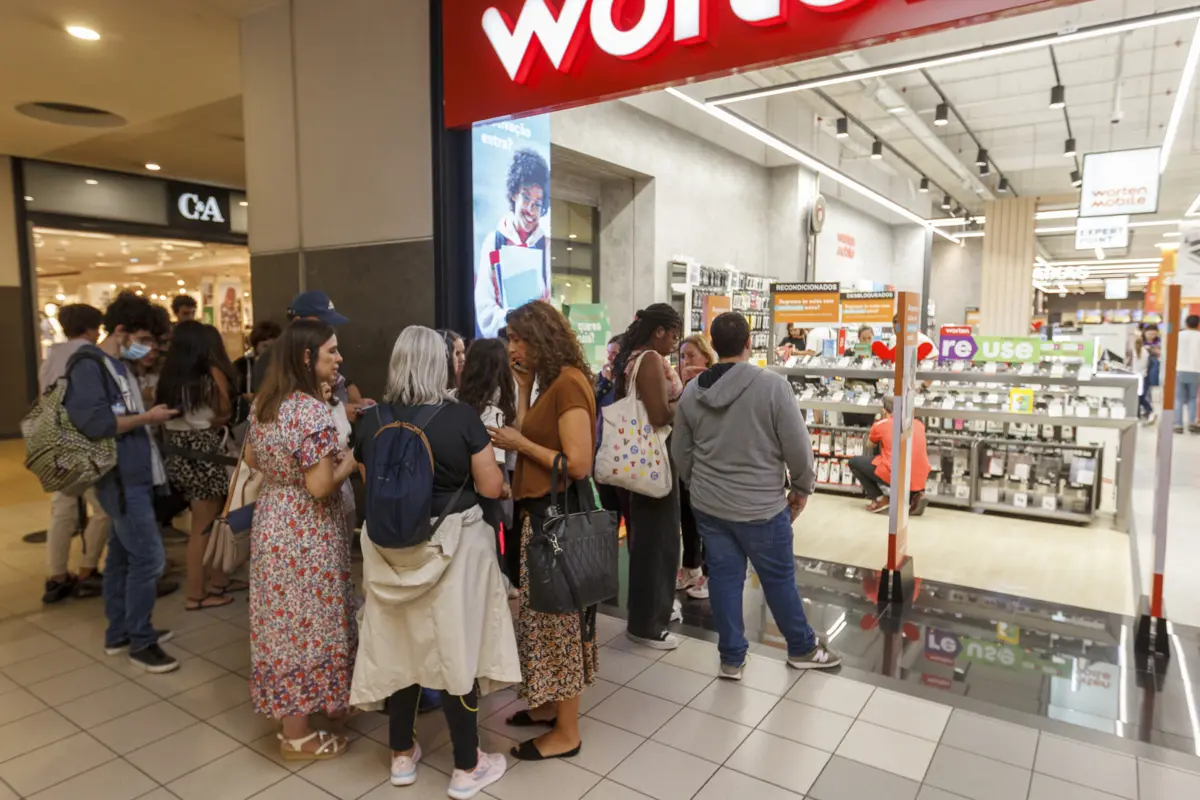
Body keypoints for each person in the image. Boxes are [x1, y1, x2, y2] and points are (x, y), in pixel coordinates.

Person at [349, 326, 518, 798]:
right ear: (438, 364)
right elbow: (488, 487)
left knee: (401, 649)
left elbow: (374, 486)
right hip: (455, 548)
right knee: (454, 647)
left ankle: (401, 755)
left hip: (388, 553)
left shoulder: (370, 420)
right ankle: (467, 765)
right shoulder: (459, 418)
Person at [672, 312, 841, 679]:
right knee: (778, 579)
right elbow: (798, 448)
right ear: (750, 343)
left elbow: (681, 451)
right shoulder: (772, 386)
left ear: (713, 347)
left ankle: (731, 658)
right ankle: (801, 647)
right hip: (762, 506)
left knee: (724, 579)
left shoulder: (692, 391)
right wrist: (801, 488)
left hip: (710, 506)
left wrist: (697, 484)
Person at [486, 301, 597, 761]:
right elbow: (534, 432)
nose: (512, 347)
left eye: (518, 337)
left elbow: (578, 463)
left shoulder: (570, 384)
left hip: (557, 516)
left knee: (558, 623)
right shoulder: (551, 382)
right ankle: (550, 706)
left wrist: (519, 443)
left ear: (540, 337)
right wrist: (526, 387)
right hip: (540, 514)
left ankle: (566, 732)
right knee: (542, 619)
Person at [245, 320, 359, 760]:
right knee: (308, 626)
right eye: (332, 351)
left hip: (273, 520)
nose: (339, 357)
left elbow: (253, 457)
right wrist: (349, 463)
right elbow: (319, 486)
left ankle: (313, 705)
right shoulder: (309, 411)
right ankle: (297, 735)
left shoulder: (266, 403)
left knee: (283, 627)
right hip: (306, 531)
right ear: (308, 357)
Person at [63, 292, 180, 672]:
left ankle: (120, 633)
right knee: (149, 558)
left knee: (121, 557)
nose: (146, 349)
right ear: (121, 330)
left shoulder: (116, 365)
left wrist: (143, 411)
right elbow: (96, 423)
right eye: (143, 340)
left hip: (132, 475)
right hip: (119, 479)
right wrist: (147, 418)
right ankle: (140, 641)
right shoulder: (89, 365)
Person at [610, 304, 684, 649]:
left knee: (650, 539)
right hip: (656, 455)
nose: (675, 342)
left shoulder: (631, 358)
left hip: (640, 457)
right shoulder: (650, 359)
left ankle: (651, 612)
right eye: (673, 334)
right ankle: (647, 624)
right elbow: (658, 414)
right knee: (659, 542)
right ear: (659, 331)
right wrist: (686, 402)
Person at [157, 321, 240, 611]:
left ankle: (218, 581)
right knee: (204, 525)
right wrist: (219, 375)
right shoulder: (207, 377)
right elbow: (224, 411)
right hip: (206, 453)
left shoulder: (171, 378)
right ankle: (197, 594)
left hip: (181, 452)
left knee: (210, 521)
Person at [39, 304, 109, 603]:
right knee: (104, 509)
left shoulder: (51, 356)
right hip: (84, 441)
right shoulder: (92, 356)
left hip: (55, 438)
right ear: (92, 329)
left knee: (63, 507)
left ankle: (56, 576)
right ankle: (88, 568)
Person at [250, 291, 375, 419]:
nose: (327, 329)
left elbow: (346, 383)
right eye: (321, 323)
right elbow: (280, 414)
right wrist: (337, 413)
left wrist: (358, 403)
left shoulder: (325, 353)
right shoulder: (269, 364)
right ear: (297, 322)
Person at [458, 338, 519, 582]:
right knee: (493, 549)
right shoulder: (496, 410)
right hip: (492, 487)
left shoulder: (455, 401)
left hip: (460, 494)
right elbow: (497, 468)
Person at [474, 149, 552, 338]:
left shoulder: (547, 245)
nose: (530, 210)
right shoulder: (494, 243)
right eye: (526, 197)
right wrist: (514, 319)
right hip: (503, 346)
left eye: (538, 204)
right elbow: (485, 308)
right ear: (514, 194)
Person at [675, 334, 717, 600]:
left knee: (709, 521)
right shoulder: (678, 383)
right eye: (682, 356)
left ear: (705, 356)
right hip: (685, 459)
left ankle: (711, 573)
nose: (685, 361)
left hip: (708, 461)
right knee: (687, 516)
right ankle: (690, 565)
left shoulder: (715, 381)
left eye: (691, 355)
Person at [847, 395, 931, 516]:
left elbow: (869, 444)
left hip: (895, 473)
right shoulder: (918, 424)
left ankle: (880, 499)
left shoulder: (881, 424)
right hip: (921, 474)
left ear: (883, 410)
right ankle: (917, 495)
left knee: (854, 462)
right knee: (908, 468)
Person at [233, 320, 281, 424]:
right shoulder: (241, 365)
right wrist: (244, 397)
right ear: (255, 346)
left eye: (274, 346)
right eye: (265, 346)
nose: (270, 351)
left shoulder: (283, 367)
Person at [1176, 314, 1200, 433]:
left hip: (1180, 369)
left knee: (1178, 398)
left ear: (1186, 323)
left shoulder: (1179, 336)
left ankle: (1178, 424)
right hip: (1196, 370)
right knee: (1193, 398)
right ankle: (1192, 422)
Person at [1133, 336, 1155, 423]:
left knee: (1136, 396)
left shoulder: (1133, 352)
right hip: (1143, 376)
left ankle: (1143, 411)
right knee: (1140, 396)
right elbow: (1147, 365)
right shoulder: (1146, 352)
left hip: (1134, 376)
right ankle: (1148, 410)